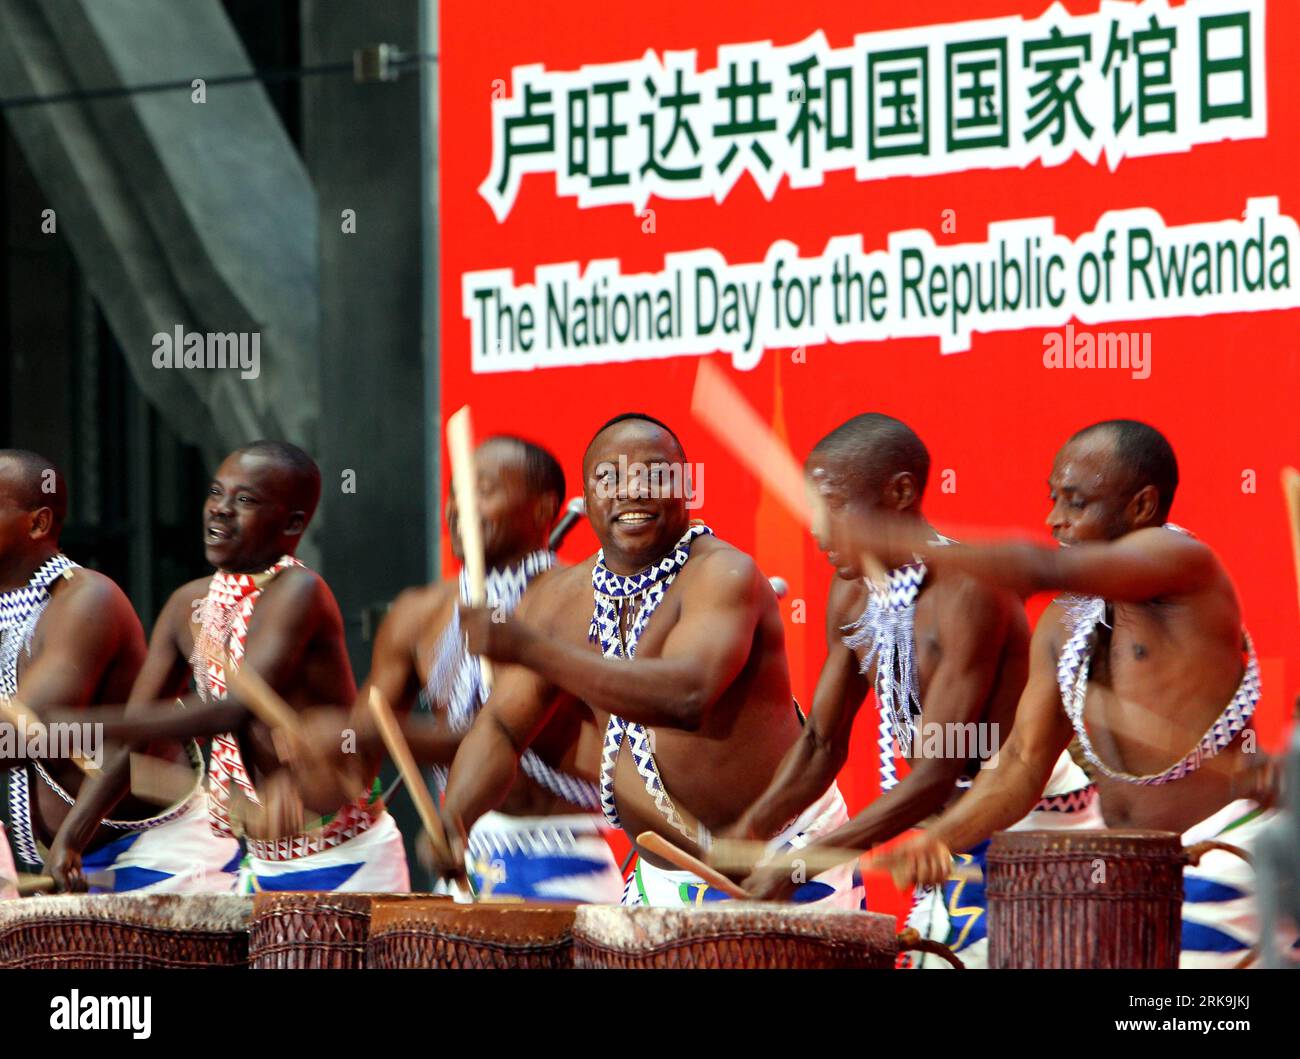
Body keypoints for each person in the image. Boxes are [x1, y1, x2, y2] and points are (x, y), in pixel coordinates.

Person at [866, 420, 1280, 967]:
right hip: (1131, 877)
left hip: (1225, 854)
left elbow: (1039, 564)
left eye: (1076, 502)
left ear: (1142, 506)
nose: (1054, 518)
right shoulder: (1065, 621)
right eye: (1053, 498)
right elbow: (1020, 761)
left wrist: (900, 542)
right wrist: (942, 837)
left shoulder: (1185, 570)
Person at [432, 413, 862, 907]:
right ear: (587, 495)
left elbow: (686, 696)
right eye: (608, 477)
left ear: (685, 486)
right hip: (661, 880)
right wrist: (456, 819)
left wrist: (533, 649)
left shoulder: (724, 574)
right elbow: (502, 728)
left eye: (653, 473)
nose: (631, 490)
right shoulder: (557, 601)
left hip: (785, 859)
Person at [729, 415, 1100, 967]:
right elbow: (821, 745)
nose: (818, 530)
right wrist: (748, 832)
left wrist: (806, 862)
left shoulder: (968, 590)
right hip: (944, 823)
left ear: (900, 493)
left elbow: (935, 774)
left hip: (1030, 819)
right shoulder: (853, 592)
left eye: (833, 506)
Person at [49, 441, 409, 894]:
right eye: (216, 493)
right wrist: (72, 837)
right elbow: (135, 744)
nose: (220, 510)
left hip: (347, 856)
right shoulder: (188, 606)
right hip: (262, 861)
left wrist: (87, 722)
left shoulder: (300, 592)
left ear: (293, 523)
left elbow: (233, 709)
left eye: (245, 500)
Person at [354, 435, 622, 901]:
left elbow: (502, 734)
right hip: (464, 857)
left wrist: (397, 736)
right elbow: (360, 742)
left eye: (483, 491)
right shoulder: (418, 612)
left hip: (566, 859)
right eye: (455, 492)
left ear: (543, 510)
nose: (459, 508)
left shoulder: (576, 601)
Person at [0, 449, 234, 894]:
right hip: (67, 870)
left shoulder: (86, 601)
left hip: (158, 858)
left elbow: (28, 730)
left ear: (37, 523)